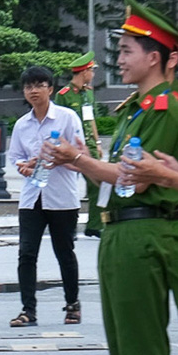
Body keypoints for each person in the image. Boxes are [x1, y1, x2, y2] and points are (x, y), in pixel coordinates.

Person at [46, 0, 178, 355]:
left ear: (158, 57)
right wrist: (80, 159)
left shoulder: (163, 108)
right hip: (124, 228)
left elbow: (134, 180)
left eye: (127, 51)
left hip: (143, 228)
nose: (119, 59)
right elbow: (123, 174)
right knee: (128, 345)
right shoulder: (136, 110)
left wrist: (77, 161)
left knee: (140, 345)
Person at [7, 65, 85, 328]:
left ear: (50, 89)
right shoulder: (21, 125)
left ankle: (72, 305)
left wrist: (57, 160)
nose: (33, 91)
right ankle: (28, 310)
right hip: (31, 197)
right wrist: (24, 166)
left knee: (64, 251)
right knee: (26, 254)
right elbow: (15, 158)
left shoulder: (66, 118)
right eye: (29, 86)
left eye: (39, 85)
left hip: (62, 197)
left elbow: (80, 158)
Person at [55, 51, 104, 236]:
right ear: (84, 72)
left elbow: (91, 120)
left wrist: (97, 142)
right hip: (71, 146)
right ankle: (69, 226)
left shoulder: (87, 94)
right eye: (92, 71)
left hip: (89, 146)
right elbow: (59, 123)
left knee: (97, 183)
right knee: (69, 186)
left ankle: (94, 225)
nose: (93, 75)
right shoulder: (64, 95)